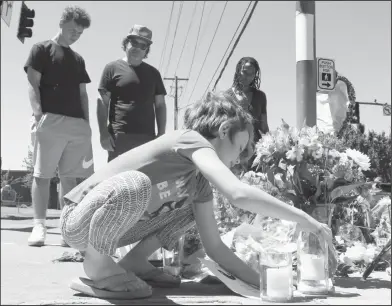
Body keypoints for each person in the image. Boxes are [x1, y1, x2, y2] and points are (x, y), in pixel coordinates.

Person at [60, 91, 333, 299]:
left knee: (195, 209)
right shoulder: (189, 139)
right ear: (224, 130)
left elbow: (215, 246)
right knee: (136, 185)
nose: (239, 159)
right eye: (240, 147)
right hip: (80, 222)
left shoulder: (198, 183)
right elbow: (237, 192)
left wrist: (264, 280)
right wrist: (302, 218)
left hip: (117, 231)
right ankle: (98, 269)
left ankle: (134, 262)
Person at [24, 6, 94, 247]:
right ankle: (39, 226)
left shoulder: (78, 59)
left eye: (80, 33)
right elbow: (33, 83)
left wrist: (87, 124)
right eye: (73, 29)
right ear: (62, 22)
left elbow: (83, 94)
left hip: (77, 125)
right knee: (42, 175)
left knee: (71, 179)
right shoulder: (41, 49)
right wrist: (38, 114)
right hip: (50, 120)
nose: (76, 35)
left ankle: (68, 229)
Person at [97, 25, 167, 162]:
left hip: (148, 139)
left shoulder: (154, 73)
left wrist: (161, 134)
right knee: (118, 181)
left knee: (145, 181)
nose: (137, 48)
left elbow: (160, 105)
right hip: (119, 137)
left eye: (143, 45)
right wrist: (103, 134)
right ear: (126, 43)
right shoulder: (112, 68)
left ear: (146, 50)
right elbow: (102, 102)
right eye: (134, 43)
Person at [224, 57, 269, 143]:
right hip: (234, 149)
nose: (247, 77)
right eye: (244, 72)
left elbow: (264, 127)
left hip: (256, 150)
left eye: (252, 74)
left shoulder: (260, 96)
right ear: (238, 71)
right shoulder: (226, 97)